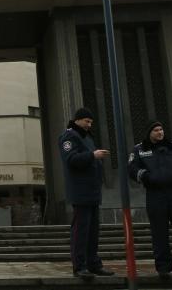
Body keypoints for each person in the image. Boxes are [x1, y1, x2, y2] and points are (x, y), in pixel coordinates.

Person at [128, 121, 172, 279]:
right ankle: (164, 268)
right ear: (149, 133)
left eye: (161, 129)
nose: (160, 132)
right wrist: (145, 176)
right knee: (159, 233)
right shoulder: (140, 149)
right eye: (156, 130)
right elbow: (132, 169)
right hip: (155, 195)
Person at [58, 107, 114, 279]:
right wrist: (93, 155)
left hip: (92, 192)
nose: (89, 125)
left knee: (93, 231)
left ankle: (93, 264)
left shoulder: (87, 136)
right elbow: (71, 160)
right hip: (80, 192)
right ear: (77, 120)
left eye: (91, 122)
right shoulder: (69, 136)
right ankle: (79, 266)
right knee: (81, 231)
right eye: (87, 121)